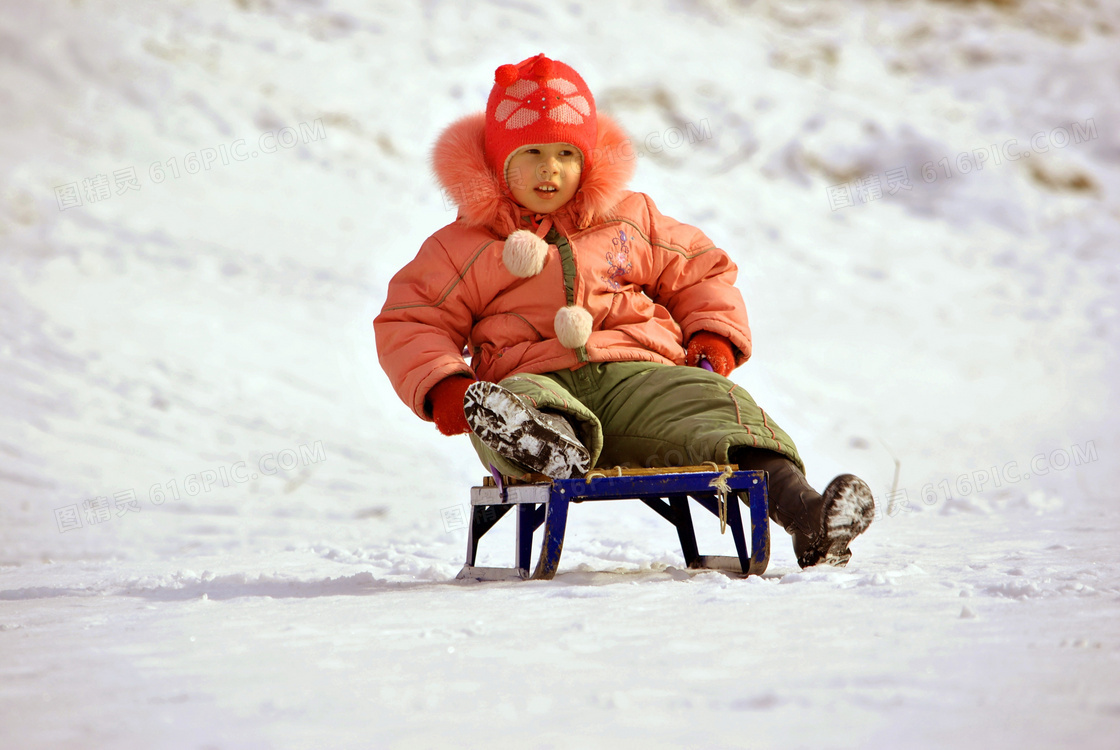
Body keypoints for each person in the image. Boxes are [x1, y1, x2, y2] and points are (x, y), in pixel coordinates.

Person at [374, 54, 874, 568]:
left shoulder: (629, 218)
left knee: (713, 402)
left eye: (567, 153)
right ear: (500, 162)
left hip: (635, 377)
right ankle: (545, 445)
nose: (551, 169)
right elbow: (412, 317)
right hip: (530, 377)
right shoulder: (464, 246)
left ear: (586, 159)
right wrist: (446, 386)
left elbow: (699, 270)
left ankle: (807, 515)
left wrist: (713, 336)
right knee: (510, 403)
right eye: (532, 153)